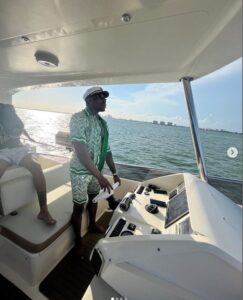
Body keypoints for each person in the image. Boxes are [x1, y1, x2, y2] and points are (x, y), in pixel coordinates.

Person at [69, 86, 121, 255]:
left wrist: (114, 173)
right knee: (78, 207)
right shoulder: (78, 118)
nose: (104, 100)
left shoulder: (102, 123)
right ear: (89, 100)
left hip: (95, 172)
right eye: (100, 97)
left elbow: (107, 150)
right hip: (80, 171)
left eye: (104, 97)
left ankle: (91, 225)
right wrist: (100, 177)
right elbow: (81, 152)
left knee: (94, 198)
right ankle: (78, 241)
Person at [0, 103, 56, 225]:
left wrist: (29, 138)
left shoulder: (7, 108)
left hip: (18, 149)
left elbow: (19, 127)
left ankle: (44, 211)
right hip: (2, 152)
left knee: (36, 167)